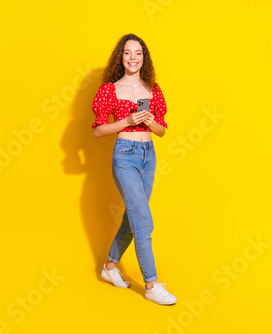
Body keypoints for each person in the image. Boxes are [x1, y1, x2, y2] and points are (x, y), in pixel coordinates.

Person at [91, 33, 177, 305]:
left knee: (132, 218)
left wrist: (151, 122)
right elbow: (98, 131)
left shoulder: (152, 89)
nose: (132, 58)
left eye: (138, 53)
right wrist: (127, 120)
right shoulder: (110, 89)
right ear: (121, 57)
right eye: (127, 53)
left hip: (148, 155)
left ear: (144, 58)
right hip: (125, 156)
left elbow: (162, 131)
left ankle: (110, 267)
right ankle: (152, 285)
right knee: (143, 220)